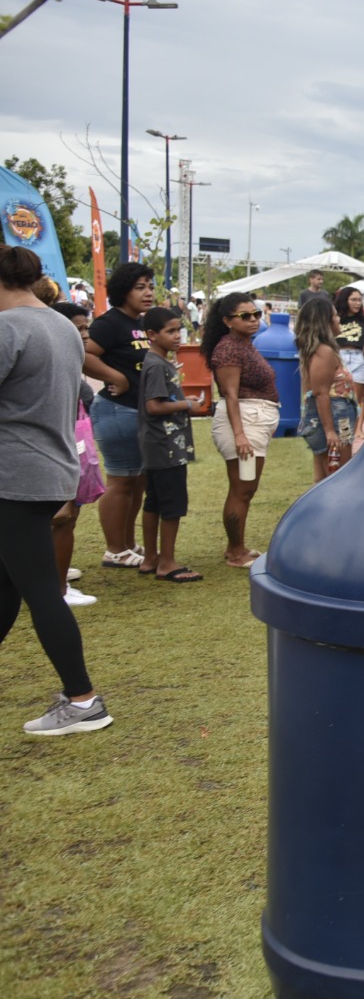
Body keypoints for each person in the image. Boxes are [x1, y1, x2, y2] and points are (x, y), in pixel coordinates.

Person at [0, 245, 111, 735]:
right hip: (47, 468)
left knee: (42, 590)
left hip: (16, 475)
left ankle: (83, 700)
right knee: (11, 584)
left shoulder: (9, 328)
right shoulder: (61, 325)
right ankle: (82, 699)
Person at [82, 261, 156, 569]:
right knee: (121, 482)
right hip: (116, 409)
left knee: (136, 482)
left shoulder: (137, 322)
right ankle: (114, 549)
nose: (148, 293)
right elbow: (84, 355)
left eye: (150, 286)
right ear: (123, 291)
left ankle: (127, 544)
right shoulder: (110, 322)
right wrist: (117, 377)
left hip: (136, 411)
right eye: (140, 287)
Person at [201, 291, 280, 568]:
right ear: (227, 321)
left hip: (252, 420)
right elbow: (230, 394)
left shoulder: (242, 342)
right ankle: (236, 553)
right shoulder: (229, 348)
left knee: (245, 488)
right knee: (242, 490)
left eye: (256, 314)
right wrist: (239, 435)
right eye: (244, 316)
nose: (253, 320)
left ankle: (237, 547)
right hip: (243, 422)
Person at [136, 307, 206, 582]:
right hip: (165, 446)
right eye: (171, 331)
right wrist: (189, 404)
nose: (178, 336)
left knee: (154, 501)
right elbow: (153, 405)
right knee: (172, 505)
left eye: (180, 330)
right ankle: (167, 561)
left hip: (158, 444)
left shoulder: (158, 362)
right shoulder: (156, 364)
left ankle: (151, 558)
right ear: (152, 335)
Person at [48, 302, 98, 606]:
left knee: (69, 514)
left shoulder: (72, 358)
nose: (83, 334)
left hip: (72, 447)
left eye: (85, 328)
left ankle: (58, 575)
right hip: (55, 449)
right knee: (61, 517)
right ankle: (58, 589)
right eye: (77, 328)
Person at [295, 295, 358, 481]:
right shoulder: (324, 351)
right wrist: (330, 431)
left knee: (323, 480)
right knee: (338, 479)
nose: (339, 319)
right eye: (336, 315)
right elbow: (321, 393)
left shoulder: (319, 349)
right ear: (326, 321)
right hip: (334, 418)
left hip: (326, 418)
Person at [332, 285, 364, 407]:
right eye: (353, 300)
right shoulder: (335, 318)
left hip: (358, 357)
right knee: (336, 395)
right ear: (344, 300)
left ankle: (358, 426)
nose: (357, 303)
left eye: (359, 300)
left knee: (358, 398)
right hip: (337, 357)